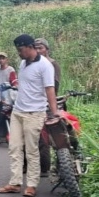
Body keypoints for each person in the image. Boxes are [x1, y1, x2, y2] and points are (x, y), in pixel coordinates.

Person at [0, 34, 59, 197]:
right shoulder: (23, 63)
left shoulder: (45, 66)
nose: (18, 53)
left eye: (20, 49)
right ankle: (15, 183)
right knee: (14, 148)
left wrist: (54, 112)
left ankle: (31, 184)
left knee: (31, 150)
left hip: (34, 113)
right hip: (18, 111)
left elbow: (50, 89)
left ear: (30, 47)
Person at [34, 38, 61, 177]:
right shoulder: (33, 64)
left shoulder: (52, 64)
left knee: (46, 137)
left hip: (47, 104)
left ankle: (46, 167)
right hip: (34, 103)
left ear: (47, 49)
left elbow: (53, 87)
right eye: (36, 48)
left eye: (41, 48)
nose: (38, 51)